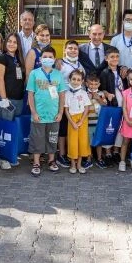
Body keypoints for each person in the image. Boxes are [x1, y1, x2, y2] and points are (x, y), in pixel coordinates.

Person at [26, 46, 66, 176]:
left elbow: (61, 95)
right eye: (45, 57)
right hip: (38, 115)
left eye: (50, 57)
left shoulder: (58, 74)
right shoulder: (34, 73)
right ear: (40, 59)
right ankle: (36, 162)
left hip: (54, 115)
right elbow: (30, 94)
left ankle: (51, 160)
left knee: (52, 139)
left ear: (54, 59)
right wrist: (33, 112)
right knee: (37, 139)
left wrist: (60, 112)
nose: (47, 59)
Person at [0, 33, 26, 170]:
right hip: (6, 100)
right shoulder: (2, 58)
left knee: (12, 130)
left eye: (15, 42)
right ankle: (2, 158)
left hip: (18, 100)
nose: (12, 44)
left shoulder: (18, 60)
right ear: (5, 43)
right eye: (9, 41)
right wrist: (4, 98)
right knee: (4, 129)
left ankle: (10, 154)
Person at [56, 40, 85, 168]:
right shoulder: (60, 64)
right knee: (62, 129)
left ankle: (72, 154)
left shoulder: (80, 65)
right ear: (65, 50)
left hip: (77, 103)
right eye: (70, 48)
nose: (73, 51)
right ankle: (62, 154)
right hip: (64, 100)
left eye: (75, 49)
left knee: (72, 129)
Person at [99, 46, 127, 164]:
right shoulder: (104, 72)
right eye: (112, 57)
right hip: (112, 104)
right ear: (106, 58)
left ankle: (116, 151)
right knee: (110, 128)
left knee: (120, 128)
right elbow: (102, 89)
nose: (115, 59)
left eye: (117, 56)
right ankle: (108, 152)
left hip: (123, 104)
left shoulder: (122, 71)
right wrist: (107, 94)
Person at [64, 70, 91, 174]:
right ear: (69, 80)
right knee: (73, 142)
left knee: (82, 142)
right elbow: (66, 110)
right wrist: (73, 122)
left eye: (78, 80)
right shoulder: (67, 94)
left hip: (82, 120)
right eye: (74, 79)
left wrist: (81, 122)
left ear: (82, 81)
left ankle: (79, 164)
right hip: (72, 120)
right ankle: (73, 164)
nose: (76, 81)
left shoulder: (84, 93)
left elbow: (87, 108)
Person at [85, 73, 108, 168]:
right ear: (86, 84)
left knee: (99, 142)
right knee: (88, 142)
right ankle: (88, 158)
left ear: (99, 84)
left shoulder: (101, 94)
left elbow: (105, 106)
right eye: (91, 84)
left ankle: (99, 158)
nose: (93, 86)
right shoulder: (84, 93)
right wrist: (88, 99)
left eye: (95, 84)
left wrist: (99, 99)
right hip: (88, 122)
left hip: (99, 123)